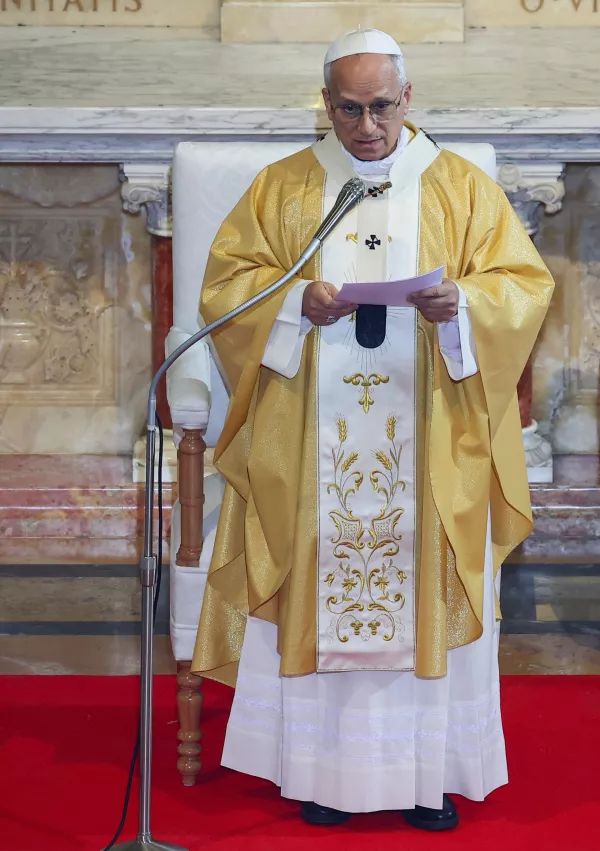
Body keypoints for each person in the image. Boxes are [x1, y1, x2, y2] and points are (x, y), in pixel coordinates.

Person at [191, 28, 554, 831]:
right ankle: (323, 773)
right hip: (310, 438)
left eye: (380, 107)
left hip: (432, 435)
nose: (366, 126)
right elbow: (226, 289)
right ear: (325, 105)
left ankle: (428, 777)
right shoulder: (284, 187)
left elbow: (523, 286)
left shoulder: (458, 186)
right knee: (323, 569)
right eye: (349, 109)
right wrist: (295, 303)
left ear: (407, 100)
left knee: (425, 576)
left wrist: (463, 304)